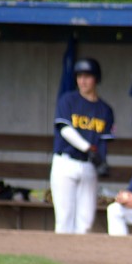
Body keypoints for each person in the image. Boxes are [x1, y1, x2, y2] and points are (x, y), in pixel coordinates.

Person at [50, 58, 114, 234]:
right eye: (79, 76)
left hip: (89, 166)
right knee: (64, 220)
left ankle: (80, 253)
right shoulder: (68, 100)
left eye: (87, 76)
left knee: (85, 222)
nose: (83, 81)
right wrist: (88, 148)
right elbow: (65, 130)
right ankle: (62, 252)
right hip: (65, 163)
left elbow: (103, 141)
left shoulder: (105, 109)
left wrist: (102, 161)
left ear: (96, 79)